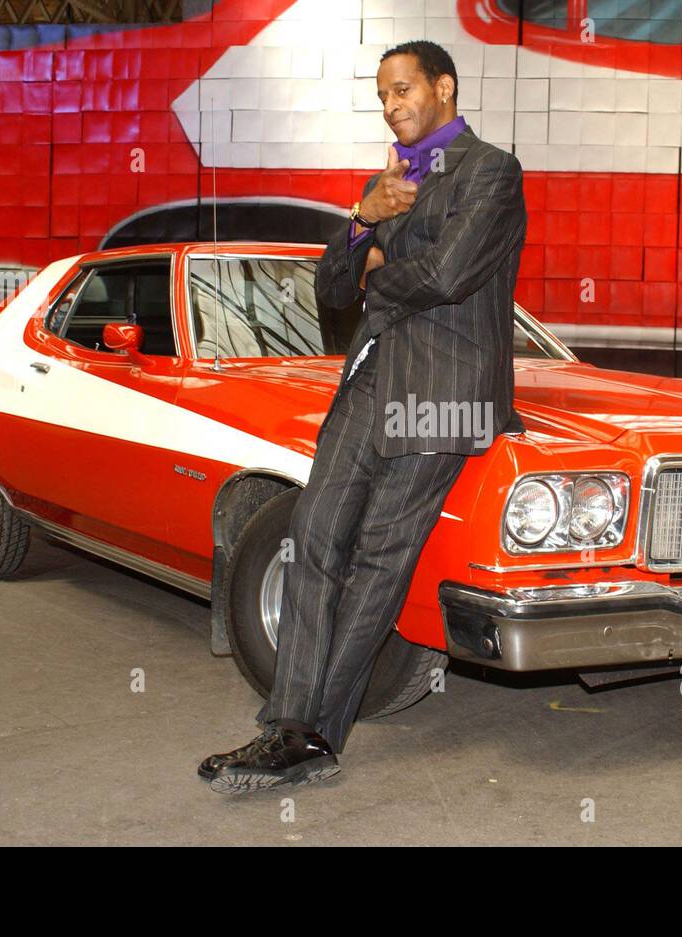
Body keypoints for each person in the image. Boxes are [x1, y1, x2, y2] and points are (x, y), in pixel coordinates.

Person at [198, 38, 527, 794]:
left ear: (444, 88)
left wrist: (379, 269)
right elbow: (329, 285)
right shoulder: (389, 180)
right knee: (313, 534)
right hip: (370, 379)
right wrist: (359, 219)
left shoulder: (490, 171)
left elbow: (448, 273)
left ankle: (314, 733)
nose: (391, 105)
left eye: (403, 89)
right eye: (382, 95)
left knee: (379, 554)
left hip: (445, 389)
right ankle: (286, 724)